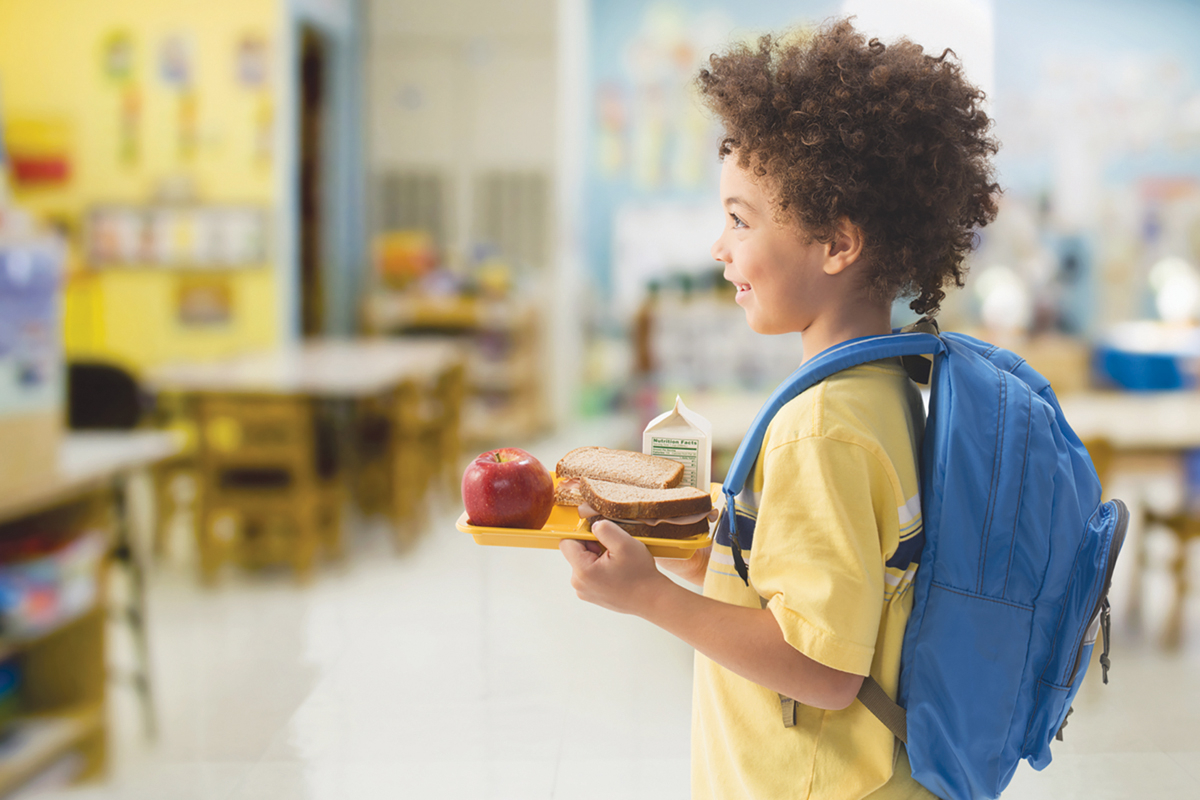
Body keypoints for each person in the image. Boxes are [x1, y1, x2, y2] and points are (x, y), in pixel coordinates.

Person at [559, 17, 1000, 800]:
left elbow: (827, 670)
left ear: (836, 244)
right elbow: (828, 576)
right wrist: (696, 555)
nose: (718, 247)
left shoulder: (819, 428)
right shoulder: (882, 384)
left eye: (739, 218)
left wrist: (649, 599)